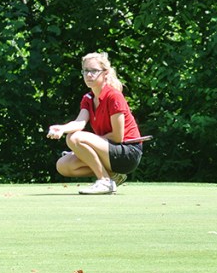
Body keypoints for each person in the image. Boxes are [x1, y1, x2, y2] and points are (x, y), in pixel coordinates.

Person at [47, 52, 144, 194]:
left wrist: (86, 145)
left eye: (94, 71)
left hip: (128, 153)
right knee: (63, 165)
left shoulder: (114, 96)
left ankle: (105, 181)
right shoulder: (88, 98)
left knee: (74, 138)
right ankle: (113, 176)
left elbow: (117, 137)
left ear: (105, 73)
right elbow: (80, 122)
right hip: (111, 151)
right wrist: (61, 128)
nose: (89, 75)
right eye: (86, 71)